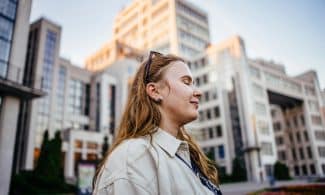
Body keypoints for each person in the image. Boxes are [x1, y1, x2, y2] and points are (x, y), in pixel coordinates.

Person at [93, 51, 222, 195]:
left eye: (194, 84)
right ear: (154, 91)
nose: (198, 92)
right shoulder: (135, 159)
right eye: (186, 82)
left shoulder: (183, 154)